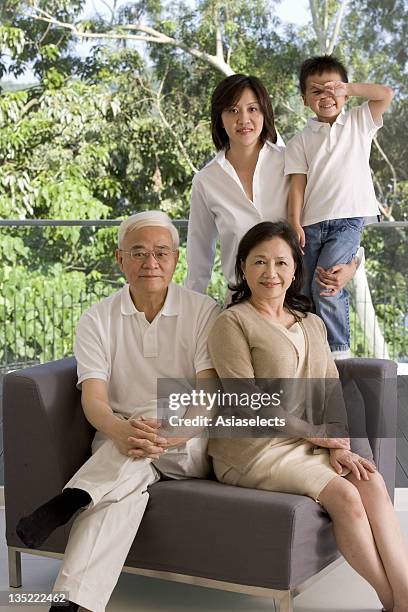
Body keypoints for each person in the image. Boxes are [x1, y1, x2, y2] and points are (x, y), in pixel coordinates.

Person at [16, 211, 220, 612]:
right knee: (120, 494)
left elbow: (208, 392)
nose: (151, 263)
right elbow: (94, 400)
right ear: (119, 259)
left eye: (162, 253)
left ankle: (74, 496)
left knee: (135, 445)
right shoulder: (97, 318)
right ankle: (72, 603)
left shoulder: (202, 311)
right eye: (139, 253)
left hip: (185, 439)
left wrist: (172, 433)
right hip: (121, 437)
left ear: (176, 260)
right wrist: (122, 430)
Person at [206, 220, 408, 612]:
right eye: (260, 262)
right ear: (243, 267)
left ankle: (404, 594)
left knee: (369, 479)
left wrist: (338, 445)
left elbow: (329, 391)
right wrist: (317, 436)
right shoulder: (231, 323)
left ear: (294, 270)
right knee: (346, 496)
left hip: (308, 441)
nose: (271, 272)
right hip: (252, 450)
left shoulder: (311, 322)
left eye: (281, 263)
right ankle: (394, 602)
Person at [185, 73, 359, 312]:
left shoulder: (292, 161)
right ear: (219, 118)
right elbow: (198, 261)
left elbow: (337, 215)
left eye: (253, 109)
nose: (243, 119)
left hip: (296, 302)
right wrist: (191, 318)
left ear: (265, 113)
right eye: (232, 110)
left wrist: (354, 263)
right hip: (241, 307)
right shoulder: (206, 181)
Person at [285, 55, 394, 358]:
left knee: (328, 283)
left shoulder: (359, 121)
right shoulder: (299, 142)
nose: (326, 96)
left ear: (345, 91)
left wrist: (348, 87)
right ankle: (309, 352)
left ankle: (338, 354)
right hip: (310, 225)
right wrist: (294, 223)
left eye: (333, 88)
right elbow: (297, 185)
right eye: (316, 90)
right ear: (305, 99)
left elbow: (385, 94)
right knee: (303, 291)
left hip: (348, 221)